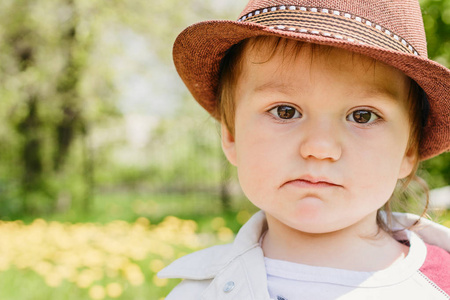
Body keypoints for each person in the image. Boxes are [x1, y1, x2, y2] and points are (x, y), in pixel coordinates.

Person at [158, 0, 450, 299]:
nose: (319, 148)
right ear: (231, 136)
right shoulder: (198, 292)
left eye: (362, 116)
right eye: (285, 111)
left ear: (407, 152)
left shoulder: (440, 286)